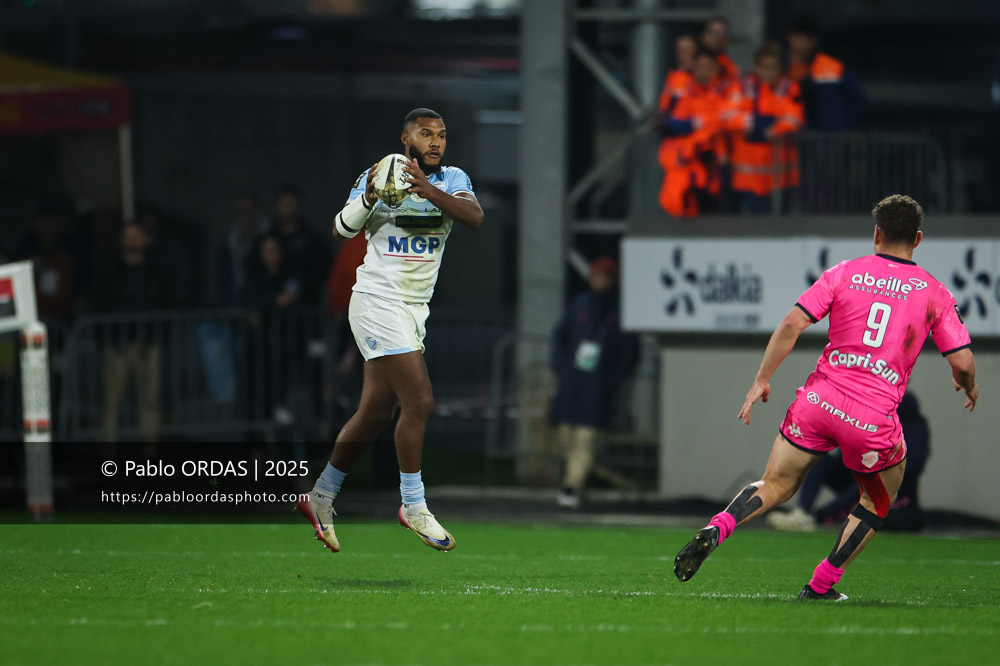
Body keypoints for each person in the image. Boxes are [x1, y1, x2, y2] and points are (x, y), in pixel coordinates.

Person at [673, 194, 978, 601]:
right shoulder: (933, 292)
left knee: (778, 482)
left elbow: (791, 324)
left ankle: (719, 526)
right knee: (878, 499)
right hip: (871, 419)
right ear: (917, 240)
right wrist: (968, 383)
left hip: (818, 402)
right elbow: (961, 358)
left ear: (877, 235)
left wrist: (761, 380)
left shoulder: (844, 272)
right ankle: (821, 586)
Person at [298, 107, 484, 553]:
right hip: (377, 301)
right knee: (419, 400)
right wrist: (368, 198)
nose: (435, 141)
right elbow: (342, 229)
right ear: (406, 138)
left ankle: (320, 495)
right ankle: (413, 505)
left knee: (375, 413)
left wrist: (427, 191)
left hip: (414, 309)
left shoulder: (452, 178)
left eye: (441, 135)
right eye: (425, 134)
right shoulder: (378, 174)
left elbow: (474, 217)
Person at [768, 392, 931, 532]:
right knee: (822, 463)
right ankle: (802, 512)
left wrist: (882, 462)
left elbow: (914, 464)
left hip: (891, 486)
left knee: (871, 476)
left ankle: (818, 517)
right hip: (856, 475)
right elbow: (845, 451)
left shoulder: (912, 421)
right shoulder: (863, 408)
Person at [550, 257, 640, 509]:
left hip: (597, 387)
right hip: (572, 384)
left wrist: (611, 380)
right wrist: (561, 368)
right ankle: (572, 484)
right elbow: (560, 337)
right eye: (594, 276)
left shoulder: (620, 311)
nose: (597, 281)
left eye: (602, 277)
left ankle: (571, 488)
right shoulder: (580, 305)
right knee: (566, 438)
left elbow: (629, 352)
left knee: (585, 439)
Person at [91, 222, 169, 444]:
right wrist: (105, 337)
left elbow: (165, 305)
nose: (133, 241)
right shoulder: (110, 271)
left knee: (149, 398)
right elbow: (99, 304)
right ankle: (107, 445)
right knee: (111, 398)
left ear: (145, 240)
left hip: (148, 341)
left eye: (137, 236)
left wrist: (159, 336)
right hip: (117, 343)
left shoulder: (155, 271)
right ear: (121, 240)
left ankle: (149, 445)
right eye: (128, 236)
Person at [657, 49, 742, 217]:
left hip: (721, 157)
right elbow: (674, 122)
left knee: (720, 207)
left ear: (716, 69)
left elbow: (729, 119)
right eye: (701, 66)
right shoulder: (687, 92)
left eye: (709, 67)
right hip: (691, 158)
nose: (705, 71)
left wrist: (697, 123)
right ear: (694, 67)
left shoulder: (726, 90)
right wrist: (698, 124)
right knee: (686, 205)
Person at [730, 41, 804, 214]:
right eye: (764, 67)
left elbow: (794, 119)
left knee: (780, 222)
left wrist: (770, 130)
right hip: (748, 174)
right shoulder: (742, 86)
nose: (768, 72)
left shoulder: (789, 88)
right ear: (756, 66)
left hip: (779, 172)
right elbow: (728, 116)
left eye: (773, 67)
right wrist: (758, 122)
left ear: (780, 69)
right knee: (754, 222)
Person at [786, 15, 866, 131]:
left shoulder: (830, 66)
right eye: (798, 37)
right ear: (790, 37)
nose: (802, 43)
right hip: (785, 135)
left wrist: (839, 125)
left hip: (822, 138)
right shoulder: (777, 66)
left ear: (815, 41)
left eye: (808, 39)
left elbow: (857, 100)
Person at [657, 34, 697, 119]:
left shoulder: (703, 75)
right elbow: (664, 106)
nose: (686, 54)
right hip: (676, 125)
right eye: (682, 51)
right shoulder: (673, 76)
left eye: (689, 50)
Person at [699, 15, 740, 81]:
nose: (719, 37)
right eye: (714, 32)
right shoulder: (692, 62)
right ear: (704, 35)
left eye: (723, 33)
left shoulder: (729, 66)